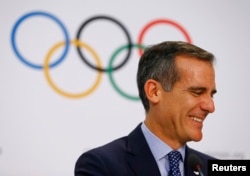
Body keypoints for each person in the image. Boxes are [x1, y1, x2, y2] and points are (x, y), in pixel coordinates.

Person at [74, 41, 218, 176]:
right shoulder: (101, 165)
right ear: (154, 92)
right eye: (197, 92)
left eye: (211, 95)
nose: (210, 107)